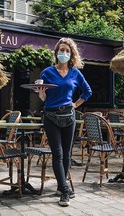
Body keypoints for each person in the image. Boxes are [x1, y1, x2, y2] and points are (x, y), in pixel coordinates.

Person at [36, 37, 92, 207]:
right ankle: (65, 191)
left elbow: (87, 91)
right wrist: (41, 94)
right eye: (61, 50)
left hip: (69, 116)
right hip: (51, 116)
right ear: (56, 52)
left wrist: (76, 104)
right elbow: (43, 97)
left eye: (67, 51)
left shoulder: (76, 73)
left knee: (67, 154)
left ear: (71, 54)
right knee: (58, 154)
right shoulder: (47, 72)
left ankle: (61, 187)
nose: (64, 53)